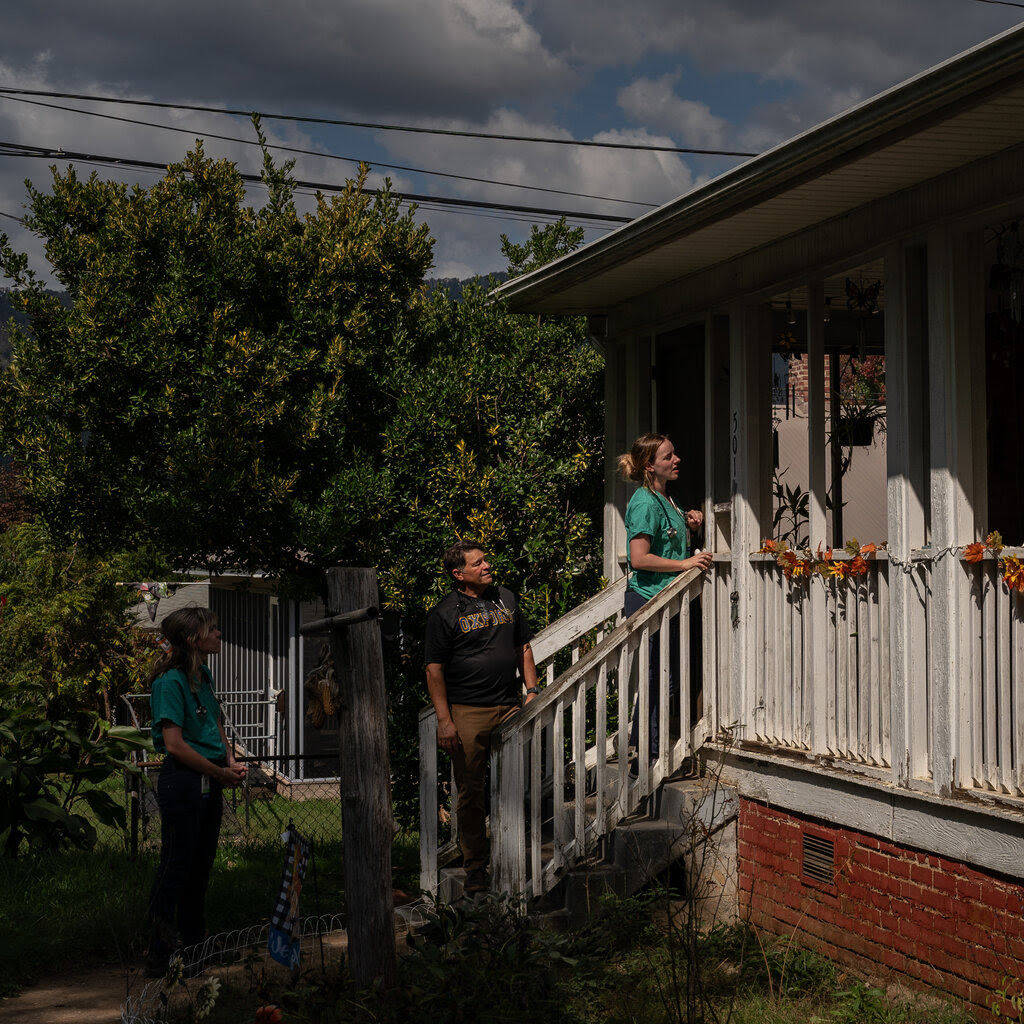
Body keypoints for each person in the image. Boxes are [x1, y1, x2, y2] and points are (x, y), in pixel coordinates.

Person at [424, 540, 539, 894]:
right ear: (459, 574)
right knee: (471, 793)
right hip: (468, 712)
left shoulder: (506, 597)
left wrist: (531, 691)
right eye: (479, 563)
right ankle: (475, 868)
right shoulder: (444, 613)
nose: (487, 565)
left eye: (486, 560)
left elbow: (524, 647)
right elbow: (433, 670)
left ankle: (520, 856)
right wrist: (445, 721)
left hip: (510, 706)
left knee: (518, 784)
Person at [145, 607, 246, 977]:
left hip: (209, 777)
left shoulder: (202, 673)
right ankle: (160, 954)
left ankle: (195, 946)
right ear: (192, 639)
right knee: (176, 866)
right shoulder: (169, 683)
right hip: (183, 781)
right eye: (213, 629)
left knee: (200, 865)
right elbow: (174, 745)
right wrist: (219, 772)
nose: (219, 634)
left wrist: (230, 759)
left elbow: (215, 719)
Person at [618, 433, 713, 774]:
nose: (677, 460)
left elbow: (669, 541)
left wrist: (691, 523)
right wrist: (685, 565)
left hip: (668, 601)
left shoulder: (666, 499)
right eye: (668, 456)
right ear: (650, 466)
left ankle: (647, 749)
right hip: (648, 600)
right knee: (656, 678)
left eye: (674, 454)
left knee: (666, 679)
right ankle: (644, 754)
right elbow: (640, 559)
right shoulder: (644, 502)